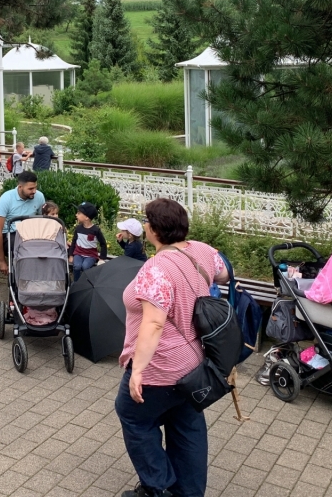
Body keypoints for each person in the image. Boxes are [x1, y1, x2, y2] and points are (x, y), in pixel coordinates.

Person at [116, 198, 229, 497]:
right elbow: (223, 273)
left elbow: (153, 324)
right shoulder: (199, 250)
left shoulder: (156, 268)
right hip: (195, 363)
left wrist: (137, 370)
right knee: (186, 424)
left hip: (161, 366)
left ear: (152, 230)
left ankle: (158, 485)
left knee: (133, 416)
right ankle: (189, 492)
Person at [0, 170, 46, 275]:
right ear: (20, 187)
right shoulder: (7, 198)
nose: (34, 191)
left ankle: (39, 276)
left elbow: (43, 220)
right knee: (21, 247)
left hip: (31, 233)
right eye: (30, 188)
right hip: (11, 233)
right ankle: (20, 279)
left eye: (35, 187)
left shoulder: (39, 196)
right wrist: (1, 260)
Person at [69, 201, 108, 281]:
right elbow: (74, 241)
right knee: (77, 266)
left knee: (85, 267)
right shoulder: (78, 228)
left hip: (91, 255)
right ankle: (76, 283)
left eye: (79, 213)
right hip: (78, 253)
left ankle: (85, 282)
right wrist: (71, 255)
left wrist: (102, 258)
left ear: (86, 217)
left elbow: (103, 244)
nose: (76, 215)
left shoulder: (95, 230)